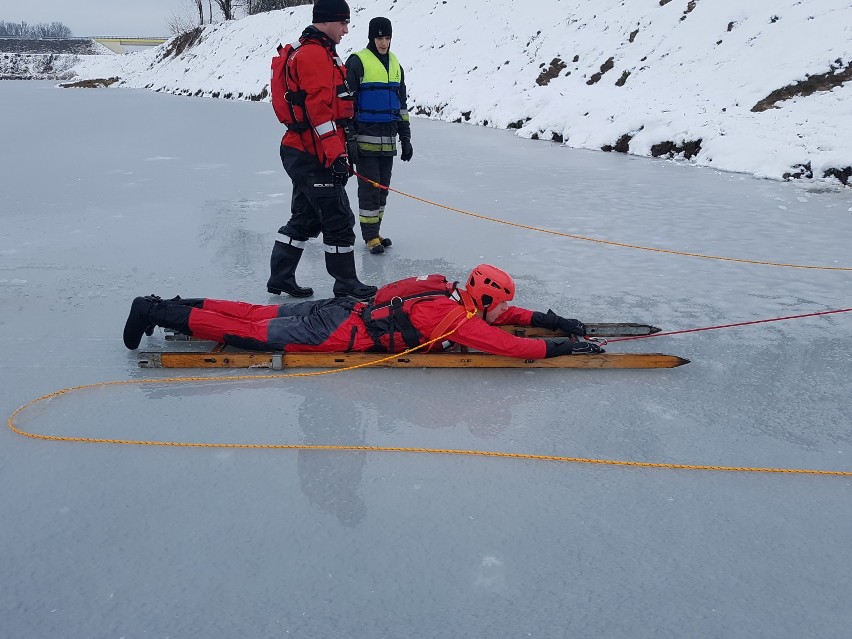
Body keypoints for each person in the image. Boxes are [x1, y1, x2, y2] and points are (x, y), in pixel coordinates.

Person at [123, 264, 604, 359]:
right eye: (501, 304)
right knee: (248, 332)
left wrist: (553, 318)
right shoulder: (454, 319)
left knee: (254, 312)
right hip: (338, 333)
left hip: (345, 307)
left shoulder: (448, 290)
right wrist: (560, 345)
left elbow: (503, 320)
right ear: (483, 301)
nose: (507, 311)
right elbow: (506, 344)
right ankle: (155, 312)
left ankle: (167, 303)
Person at [266, 0, 377, 301]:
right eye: (343, 23)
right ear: (327, 21)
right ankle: (346, 284)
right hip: (310, 153)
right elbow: (320, 112)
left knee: (306, 216)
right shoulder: (315, 55)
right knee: (338, 218)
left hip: (301, 151)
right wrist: (336, 156)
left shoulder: (320, 51)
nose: (346, 29)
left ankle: (280, 277)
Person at [345, 17, 412, 254]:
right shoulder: (357, 62)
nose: (383, 43)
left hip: (388, 143)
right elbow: (345, 104)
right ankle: (370, 236)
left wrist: (406, 138)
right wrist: (349, 138)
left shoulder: (396, 65)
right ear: (371, 38)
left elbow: (401, 106)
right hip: (364, 143)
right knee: (369, 190)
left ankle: (376, 230)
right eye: (379, 37)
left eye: (387, 37)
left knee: (383, 188)